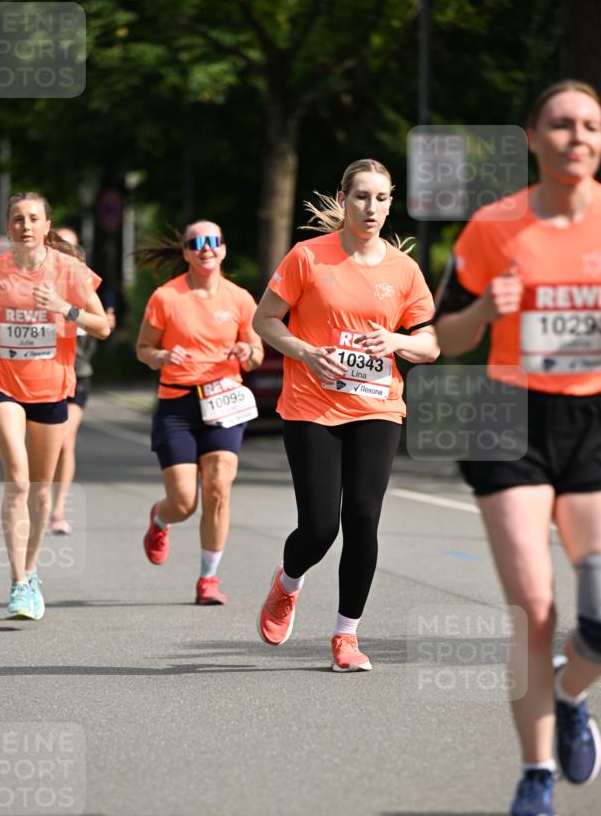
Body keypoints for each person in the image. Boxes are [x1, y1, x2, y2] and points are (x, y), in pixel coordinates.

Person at [435, 80, 601, 816]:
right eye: (561, 125)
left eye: (590, 126)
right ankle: (534, 776)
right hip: (509, 417)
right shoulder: (493, 226)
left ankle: (569, 693)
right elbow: (443, 336)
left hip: (593, 419)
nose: (577, 137)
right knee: (533, 610)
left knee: (596, 617)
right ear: (532, 139)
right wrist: (482, 310)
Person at [252, 158, 438, 671]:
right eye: (361, 196)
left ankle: (346, 636)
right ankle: (287, 583)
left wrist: (398, 339)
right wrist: (305, 351)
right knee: (318, 528)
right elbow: (264, 319)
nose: (371, 207)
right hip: (312, 404)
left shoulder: (404, 271)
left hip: (377, 405)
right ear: (343, 198)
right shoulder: (308, 257)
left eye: (381, 198)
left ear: (391, 202)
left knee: (363, 517)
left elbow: (430, 345)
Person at [0, 192, 111, 619]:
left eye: (34, 218)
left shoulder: (70, 270)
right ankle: (18, 582)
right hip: (4, 384)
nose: (26, 226)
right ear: (8, 225)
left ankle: (32, 571)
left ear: (47, 225)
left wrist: (65, 309)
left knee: (39, 487)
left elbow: (103, 327)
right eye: (17, 219)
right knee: (17, 480)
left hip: (53, 389)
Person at [136, 220, 264, 605]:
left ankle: (208, 579)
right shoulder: (165, 297)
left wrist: (248, 353)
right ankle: (160, 520)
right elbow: (143, 348)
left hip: (225, 401)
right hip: (178, 403)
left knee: (218, 486)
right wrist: (161, 355)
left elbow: (256, 353)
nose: (206, 248)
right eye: (197, 242)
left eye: (213, 241)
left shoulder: (241, 299)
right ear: (187, 252)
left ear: (223, 249)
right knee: (184, 502)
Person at [49, 227, 117, 535]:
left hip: (78, 372)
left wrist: (102, 324)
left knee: (65, 440)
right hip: (41, 373)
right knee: (41, 443)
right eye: (60, 244)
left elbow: (99, 325)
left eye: (72, 247)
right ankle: (33, 499)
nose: (67, 251)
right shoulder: (36, 283)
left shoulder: (82, 282)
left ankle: (58, 509)